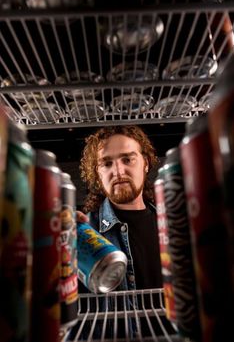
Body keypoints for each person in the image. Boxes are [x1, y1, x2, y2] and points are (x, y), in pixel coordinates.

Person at [69, 125, 171, 340]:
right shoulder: (82, 232)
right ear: (98, 172)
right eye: (106, 163)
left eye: (128, 159)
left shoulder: (172, 225)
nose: (118, 171)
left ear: (145, 163)